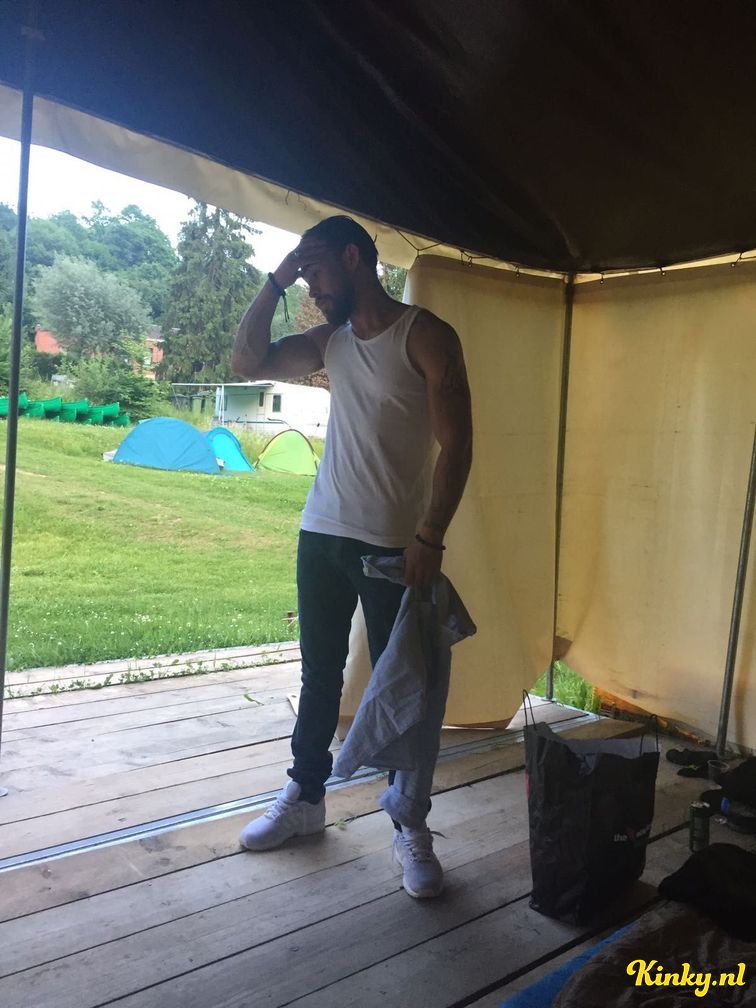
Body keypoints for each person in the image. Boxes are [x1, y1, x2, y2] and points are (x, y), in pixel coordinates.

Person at [231, 216, 473, 898]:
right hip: (322, 533)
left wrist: (431, 536)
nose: (310, 287)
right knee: (318, 674)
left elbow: (458, 445)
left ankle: (409, 824)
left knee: (407, 684)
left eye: (314, 272)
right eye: (302, 277)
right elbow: (247, 362)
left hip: (395, 544)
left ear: (352, 258)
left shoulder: (425, 335)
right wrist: (276, 279)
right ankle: (305, 798)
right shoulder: (329, 342)